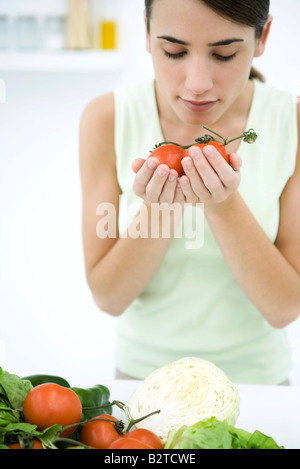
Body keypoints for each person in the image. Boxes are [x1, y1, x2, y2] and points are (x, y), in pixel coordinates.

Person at [79, 0, 300, 385]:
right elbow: (108, 298)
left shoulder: (291, 121)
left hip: (258, 387)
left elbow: (285, 307)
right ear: (147, 34)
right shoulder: (108, 118)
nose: (197, 83)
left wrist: (224, 204)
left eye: (225, 53)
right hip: (142, 387)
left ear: (261, 37)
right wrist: (161, 208)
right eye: (174, 51)